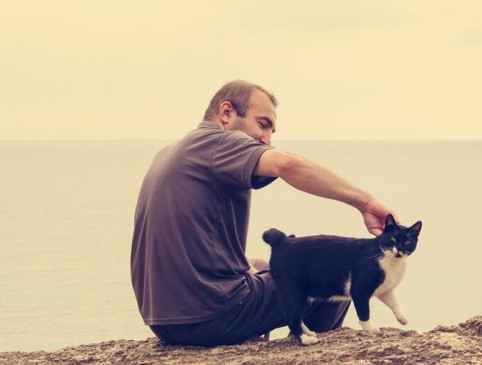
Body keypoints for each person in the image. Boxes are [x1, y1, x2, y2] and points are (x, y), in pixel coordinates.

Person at [131, 80, 394, 346]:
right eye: (262, 124)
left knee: (261, 264)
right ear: (226, 113)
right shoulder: (218, 143)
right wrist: (366, 203)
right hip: (209, 315)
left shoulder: (171, 152)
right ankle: (311, 356)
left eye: (271, 130)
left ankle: (283, 330)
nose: (266, 139)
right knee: (334, 274)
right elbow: (288, 165)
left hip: (164, 319)